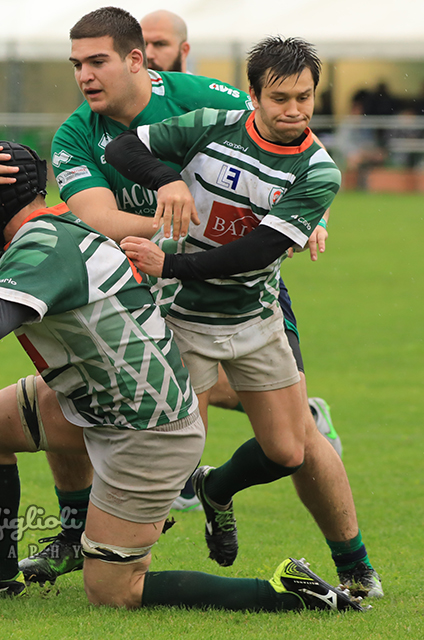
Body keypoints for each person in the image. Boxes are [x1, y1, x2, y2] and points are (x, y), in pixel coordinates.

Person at [0, 140, 364, 613]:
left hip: (148, 430)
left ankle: (287, 592)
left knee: (112, 591)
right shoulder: (37, 234)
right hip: (103, 402)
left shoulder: (43, 248)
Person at [20, 6, 340, 586]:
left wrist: (292, 222)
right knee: (83, 413)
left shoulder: (202, 97)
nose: (85, 76)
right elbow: (99, 219)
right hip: (149, 284)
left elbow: (273, 151)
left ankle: (353, 562)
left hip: (242, 282)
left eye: (98, 61)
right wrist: (183, 216)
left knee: (297, 445)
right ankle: (90, 539)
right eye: (77, 65)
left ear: (139, 59)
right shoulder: (75, 134)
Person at [109, 36, 381, 599]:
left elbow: (254, 253)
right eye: (281, 98)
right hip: (181, 319)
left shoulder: (318, 171)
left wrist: (169, 264)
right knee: (170, 459)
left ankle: (218, 490)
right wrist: (168, 177)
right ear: (253, 95)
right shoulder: (215, 123)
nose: (296, 111)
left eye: (305, 97)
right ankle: (116, 568)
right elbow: (123, 147)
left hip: (255, 318)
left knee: (289, 450)